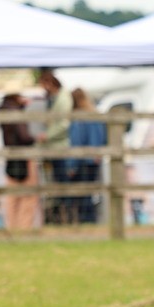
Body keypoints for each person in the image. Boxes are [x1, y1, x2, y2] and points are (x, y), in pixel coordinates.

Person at [64, 88, 105, 223]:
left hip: (82, 160)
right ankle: (91, 221)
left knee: (82, 195)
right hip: (94, 160)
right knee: (90, 192)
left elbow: (76, 142)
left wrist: (71, 165)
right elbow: (102, 138)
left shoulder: (78, 117)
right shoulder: (94, 114)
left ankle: (84, 222)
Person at [0, 93, 40, 231]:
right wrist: (35, 138)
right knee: (28, 196)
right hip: (24, 158)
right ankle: (24, 228)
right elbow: (25, 137)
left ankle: (11, 227)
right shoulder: (16, 113)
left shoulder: (2, 112)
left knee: (12, 197)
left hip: (10, 158)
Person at [36, 69, 72, 184]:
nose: (44, 88)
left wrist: (47, 135)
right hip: (53, 146)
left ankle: (65, 201)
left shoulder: (63, 98)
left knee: (62, 179)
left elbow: (63, 123)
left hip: (60, 145)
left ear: (50, 83)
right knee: (56, 178)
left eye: (44, 84)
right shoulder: (53, 98)